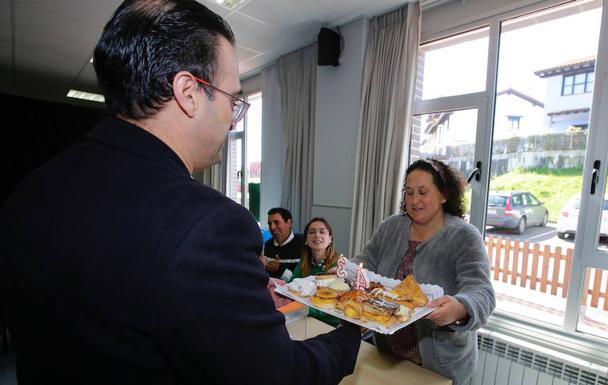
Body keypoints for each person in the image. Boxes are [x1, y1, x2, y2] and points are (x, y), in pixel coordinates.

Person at [0, 1, 361, 384]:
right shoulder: (209, 225)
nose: (231, 118)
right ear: (189, 92)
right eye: (233, 100)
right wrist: (351, 336)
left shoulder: (31, 190)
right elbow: (278, 376)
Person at [351, 158, 495, 385]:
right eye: (409, 192)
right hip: (387, 359)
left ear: (444, 194)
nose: (414, 200)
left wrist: (460, 308)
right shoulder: (391, 227)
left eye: (423, 192)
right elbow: (365, 262)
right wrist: (345, 273)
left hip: (438, 370)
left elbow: (482, 291)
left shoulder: (464, 237)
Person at [290, 217, 342, 327]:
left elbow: (332, 305)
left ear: (330, 238)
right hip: (303, 317)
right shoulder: (303, 263)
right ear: (306, 239)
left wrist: (303, 308)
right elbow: (290, 288)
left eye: (322, 232)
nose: (317, 235)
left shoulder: (338, 266)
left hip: (329, 324)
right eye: (312, 232)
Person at [261, 207, 305, 281]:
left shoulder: (303, 243)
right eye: (269, 224)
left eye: (276, 222)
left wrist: (279, 269)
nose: (272, 227)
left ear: (289, 223)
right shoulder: (267, 245)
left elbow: (301, 280)